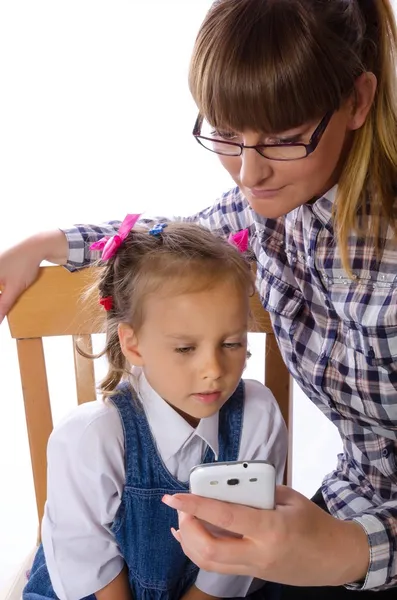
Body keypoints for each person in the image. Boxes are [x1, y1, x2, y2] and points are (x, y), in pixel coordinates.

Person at [1, 0, 397, 597]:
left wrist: (349, 551)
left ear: (358, 102)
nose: (247, 172)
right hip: (341, 514)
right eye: (227, 133)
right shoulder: (273, 212)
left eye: (284, 139)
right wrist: (45, 242)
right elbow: (169, 241)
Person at [22, 219, 287, 600]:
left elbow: (238, 552)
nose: (213, 370)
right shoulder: (91, 438)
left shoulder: (257, 417)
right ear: (133, 344)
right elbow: (88, 567)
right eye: (185, 348)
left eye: (230, 343)